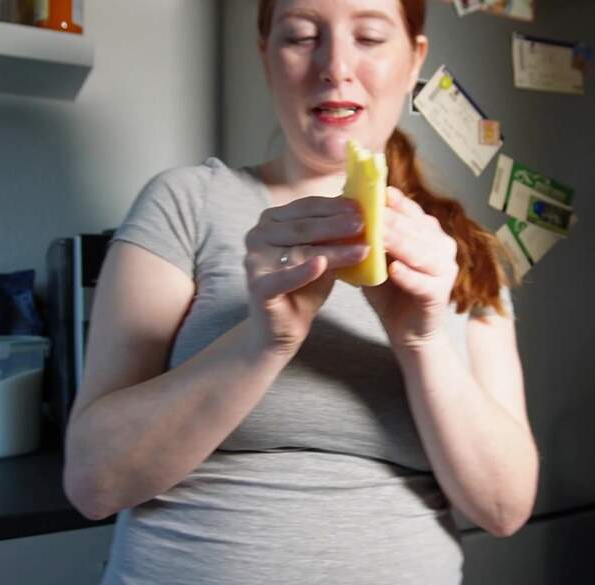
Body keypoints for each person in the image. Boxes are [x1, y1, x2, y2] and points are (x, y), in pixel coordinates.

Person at [63, 0, 540, 583]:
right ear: (266, 57)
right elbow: (93, 483)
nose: (335, 66)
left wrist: (421, 342)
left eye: (369, 37)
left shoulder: (456, 252)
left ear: (415, 60)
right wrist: (261, 343)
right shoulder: (186, 202)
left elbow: (503, 508)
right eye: (301, 37)